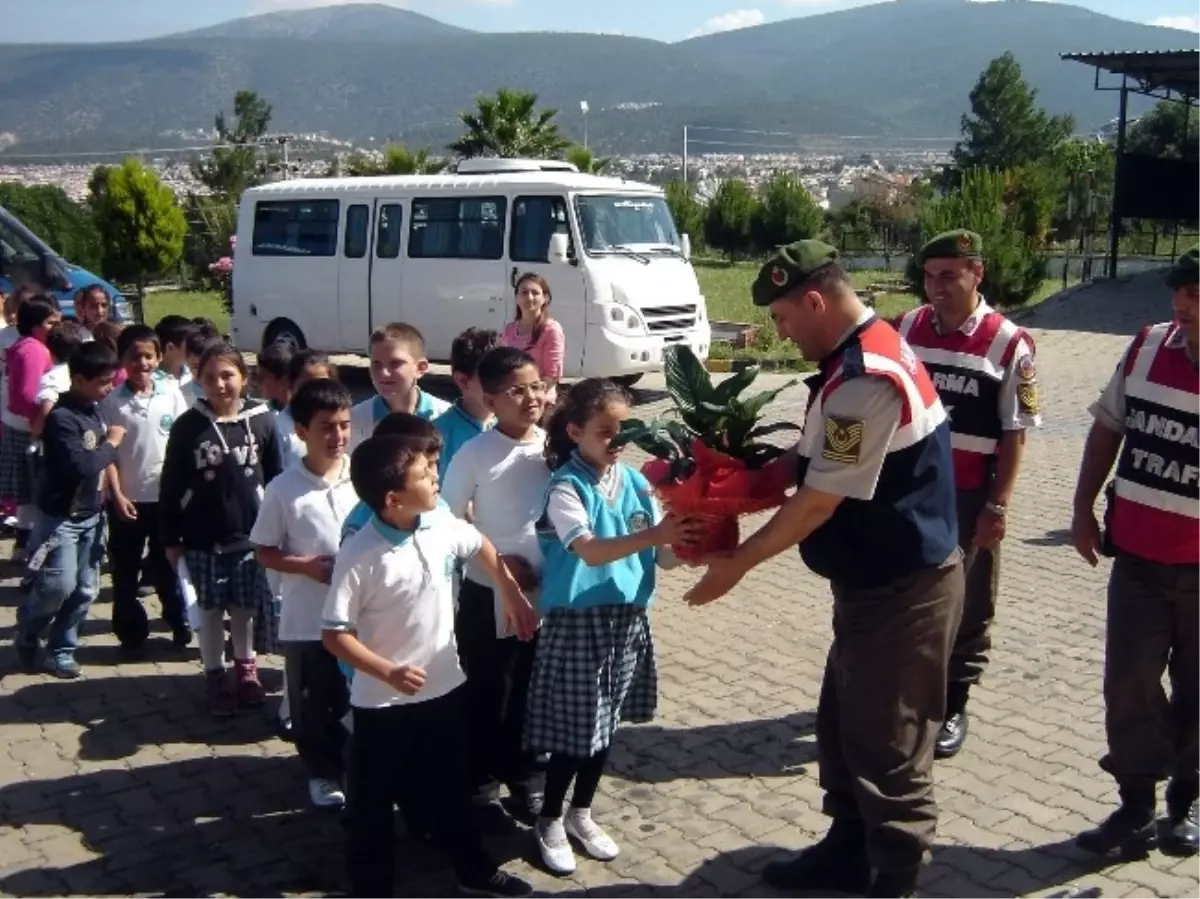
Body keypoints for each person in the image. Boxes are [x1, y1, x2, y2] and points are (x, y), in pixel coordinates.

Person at [684, 241, 964, 899]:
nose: (780, 332)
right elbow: (808, 461)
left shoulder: (866, 377)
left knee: (888, 741)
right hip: (876, 583)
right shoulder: (854, 357)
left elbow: (817, 502)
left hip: (903, 589)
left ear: (815, 301)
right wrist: (742, 480)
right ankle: (846, 849)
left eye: (783, 318)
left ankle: (895, 872)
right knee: (844, 723)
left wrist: (740, 562)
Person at [322, 428, 538, 899]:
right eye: (424, 473)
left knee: (452, 790)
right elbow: (335, 635)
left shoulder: (437, 522)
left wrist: (507, 588)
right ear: (393, 498)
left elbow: (477, 542)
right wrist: (388, 672)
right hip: (381, 705)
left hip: (443, 690)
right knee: (373, 807)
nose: (436, 477)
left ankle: (473, 871)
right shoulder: (360, 553)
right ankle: (372, 887)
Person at [527, 378, 699, 875]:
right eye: (606, 431)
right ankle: (549, 818)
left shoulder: (638, 482)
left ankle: (581, 812)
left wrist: (691, 543)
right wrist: (656, 533)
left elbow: (660, 558)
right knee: (575, 733)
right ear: (575, 430)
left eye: (626, 431)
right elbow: (590, 549)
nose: (618, 442)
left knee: (605, 729)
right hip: (579, 624)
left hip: (626, 621)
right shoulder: (565, 486)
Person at [1071, 245, 1200, 858]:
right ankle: (1135, 805)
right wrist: (1081, 510)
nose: (1181, 305)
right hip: (1140, 562)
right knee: (1128, 684)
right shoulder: (1148, 346)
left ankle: (1186, 803)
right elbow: (1106, 430)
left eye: (1196, 295)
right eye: (1178, 292)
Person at [895, 229, 1042, 760]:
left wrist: (998, 506)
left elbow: (1015, 431)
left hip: (969, 498)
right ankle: (908, 691)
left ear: (977, 273)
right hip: (910, 496)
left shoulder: (1011, 343)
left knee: (968, 604)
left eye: (949, 276)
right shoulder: (909, 327)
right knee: (907, 595)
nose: (936, 288)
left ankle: (954, 702)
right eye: (929, 276)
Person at [442, 346, 549, 822]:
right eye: (516, 391)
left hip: (546, 596)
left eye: (536, 386)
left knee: (531, 689)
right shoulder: (475, 453)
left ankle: (524, 776)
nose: (531, 398)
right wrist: (500, 567)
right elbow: (446, 522)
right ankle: (479, 782)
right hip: (489, 594)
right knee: (489, 690)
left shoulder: (552, 447)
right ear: (489, 399)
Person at [159, 343, 284, 717]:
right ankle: (215, 674)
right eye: (210, 377)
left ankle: (246, 670)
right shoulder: (188, 427)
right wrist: (170, 538)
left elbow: (276, 480)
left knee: (244, 608)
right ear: (199, 381)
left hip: (249, 536)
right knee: (210, 610)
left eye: (228, 375)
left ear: (244, 378)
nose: (220, 384)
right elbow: (170, 485)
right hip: (201, 538)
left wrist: (279, 529)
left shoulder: (263, 421)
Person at [251, 378, 356, 810]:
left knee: (353, 699)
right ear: (301, 432)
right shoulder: (283, 490)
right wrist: (306, 567)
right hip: (307, 618)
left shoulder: (361, 478)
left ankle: (353, 764)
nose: (338, 436)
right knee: (312, 698)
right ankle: (320, 770)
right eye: (326, 427)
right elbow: (263, 551)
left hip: (358, 619)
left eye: (344, 425)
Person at [13, 341, 125, 678]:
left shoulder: (96, 409)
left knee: (85, 589)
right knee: (56, 586)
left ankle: (61, 649)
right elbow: (81, 465)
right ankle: (29, 627)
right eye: (103, 382)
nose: (109, 389)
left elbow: (101, 467)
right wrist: (113, 443)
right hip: (61, 518)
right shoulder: (62, 418)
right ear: (78, 379)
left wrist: (115, 494)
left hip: (92, 514)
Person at [102, 324, 192, 653]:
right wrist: (117, 494)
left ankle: (179, 621)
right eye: (134, 356)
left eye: (149, 356)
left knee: (167, 565)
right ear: (122, 359)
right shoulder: (113, 402)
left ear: (158, 357)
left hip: (165, 498)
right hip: (128, 500)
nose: (142, 363)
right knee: (125, 568)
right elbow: (107, 455)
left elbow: (182, 439)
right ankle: (130, 630)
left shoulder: (170, 392)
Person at [1, 299, 60, 560]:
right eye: (51, 323)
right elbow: (25, 395)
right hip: (29, 429)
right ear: (36, 326)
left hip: (21, 425)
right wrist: (40, 422)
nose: (57, 327)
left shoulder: (24, 346)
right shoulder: (35, 350)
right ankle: (31, 546)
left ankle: (24, 543)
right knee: (36, 491)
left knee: (28, 493)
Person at [349, 322, 449, 451]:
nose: (384, 373)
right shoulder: (357, 420)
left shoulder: (444, 416)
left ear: (420, 368)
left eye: (395, 363)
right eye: (376, 364)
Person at [433, 327, 497, 481]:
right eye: (493, 377)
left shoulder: (514, 424)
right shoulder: (438, 436)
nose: (506, 386)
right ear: (462, 380)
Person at [500, 273, 566, 407]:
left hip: (539, 404)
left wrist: (528, 398)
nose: (529, 297)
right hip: (513, 403)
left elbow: (551, 376)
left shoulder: (551, 330)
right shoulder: (509, 329)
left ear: (545, 298)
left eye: (535, 293)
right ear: (517, 298)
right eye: (524, 292)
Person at [276, 349, 338, 470]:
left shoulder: (341, 425)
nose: (316, 394)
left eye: (323, 386)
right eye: (308, 386)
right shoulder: (278, 430)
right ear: (290, 384)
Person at [30, 320, 85, 441]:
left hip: (60, 438)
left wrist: (35, 433)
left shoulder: (52, 378)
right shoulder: (81, 373)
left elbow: (47, 407)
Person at [181, 327, 221, 407]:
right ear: (187, 361)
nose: (202, 372)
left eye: (207, 366)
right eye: (195, 367)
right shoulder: (180, 396)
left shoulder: (230, 391)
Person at [153, 315, 196, 387]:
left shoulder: (194, 375)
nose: (194, 348)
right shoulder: (152, 381)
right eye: (190, 344)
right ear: (170, 347)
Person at [256, 343, 294, 413]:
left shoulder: (301, 416)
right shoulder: (262, 412)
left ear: (284, 380)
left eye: (262, 377)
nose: (257, 381)